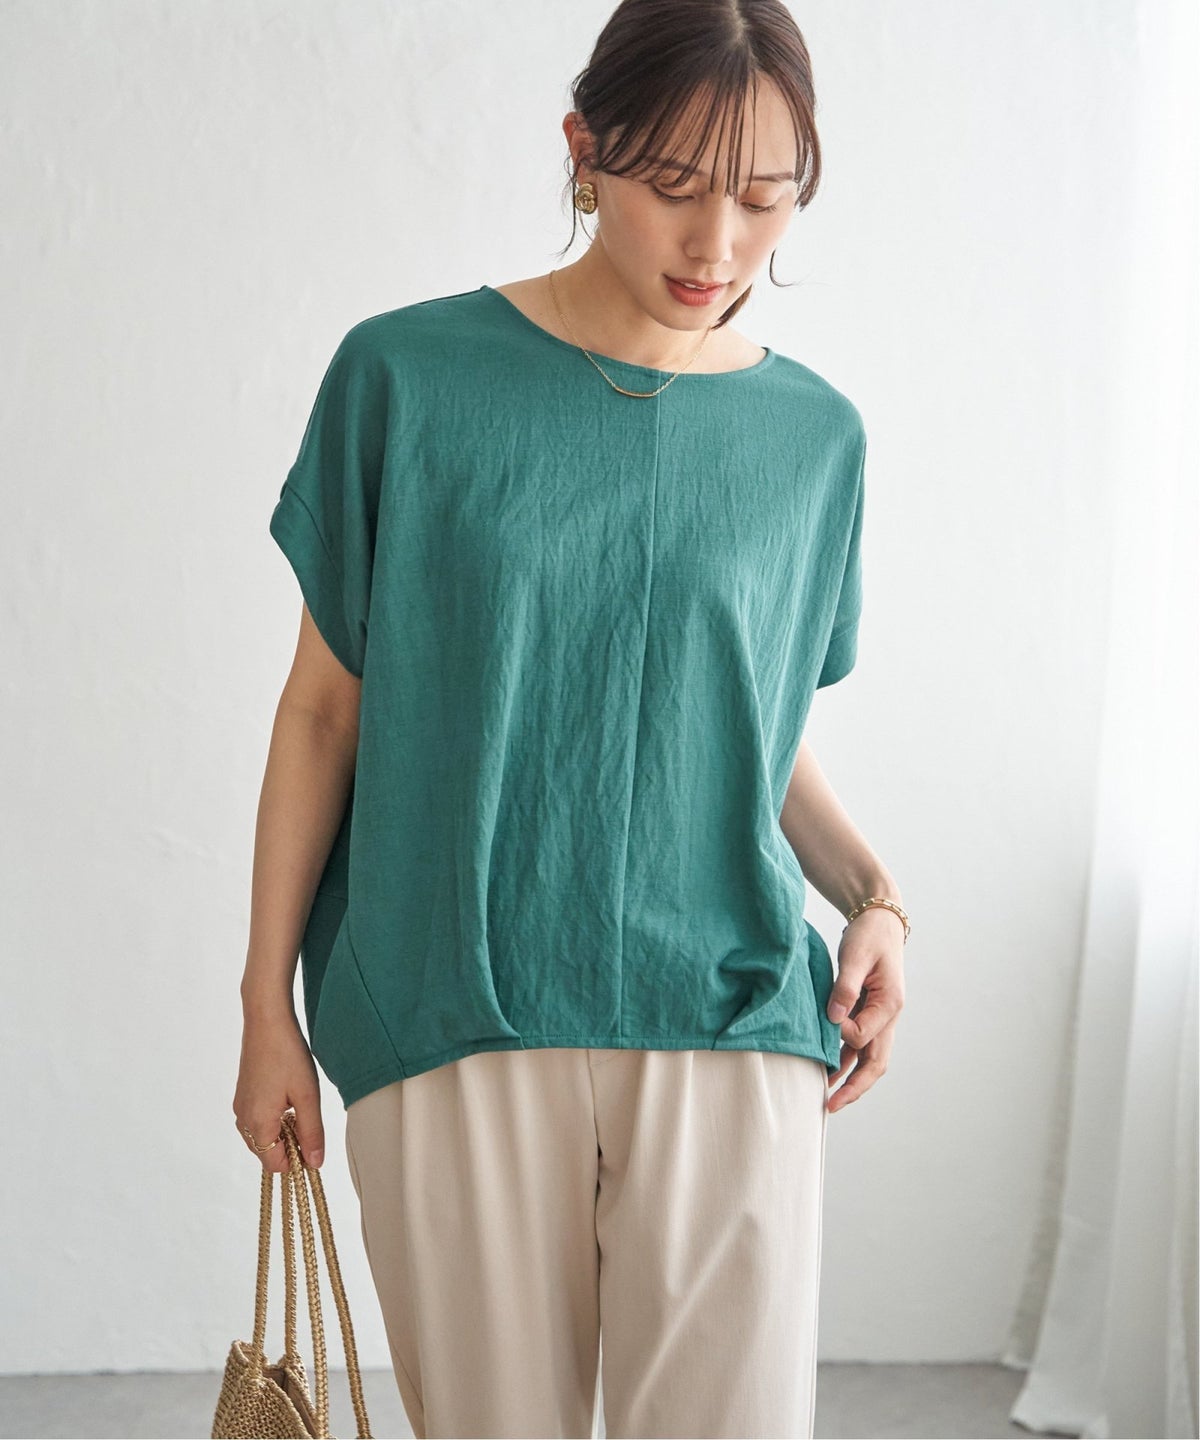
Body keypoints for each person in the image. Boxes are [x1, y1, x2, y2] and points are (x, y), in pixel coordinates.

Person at [233, 1, 908, 1435]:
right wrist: (264, 1010)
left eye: (764, 197)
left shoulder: (816, 440)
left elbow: (747, 729)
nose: (717, 242)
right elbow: (324, 717)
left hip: (731, 1016)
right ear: (584, 150)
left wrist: (877, 897)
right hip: (453, 1005)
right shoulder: (406, 378)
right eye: (673, 184)